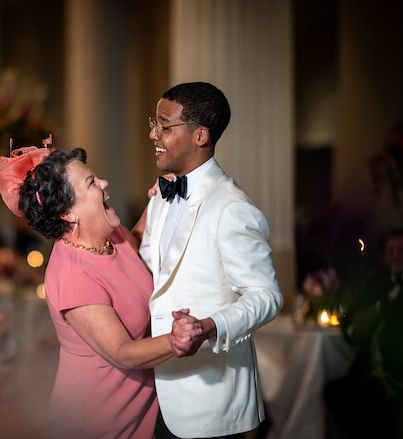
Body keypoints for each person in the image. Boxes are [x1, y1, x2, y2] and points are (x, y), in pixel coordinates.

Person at [0, 144, 202, 439]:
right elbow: (122, 352)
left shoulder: (110, 235)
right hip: (98, 419)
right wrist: (175, 341)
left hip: (140, 408)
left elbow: (134, 249)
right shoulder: (73, 276)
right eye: (91, 183)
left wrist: (158, 202)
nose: (104, 183)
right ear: (68, 213)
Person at [138, 82, 284, 439]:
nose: (154, 134)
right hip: (156, 392)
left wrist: (209, 326)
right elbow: (149, 273)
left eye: (164, 126)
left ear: (200, 135)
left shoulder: (232, 208)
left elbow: (267, 296)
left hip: (211, 400)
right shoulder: (160, 196)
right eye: (154, 124)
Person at [325, 227, 403, 438]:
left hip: (397, 369)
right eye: (390, 250)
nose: (395, 255)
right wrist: (354, 328)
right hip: (369, 366)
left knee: (368, 399)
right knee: (334, 392)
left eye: (400, 250)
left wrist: (378, 310)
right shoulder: (376, 281)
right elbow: (352, 315)